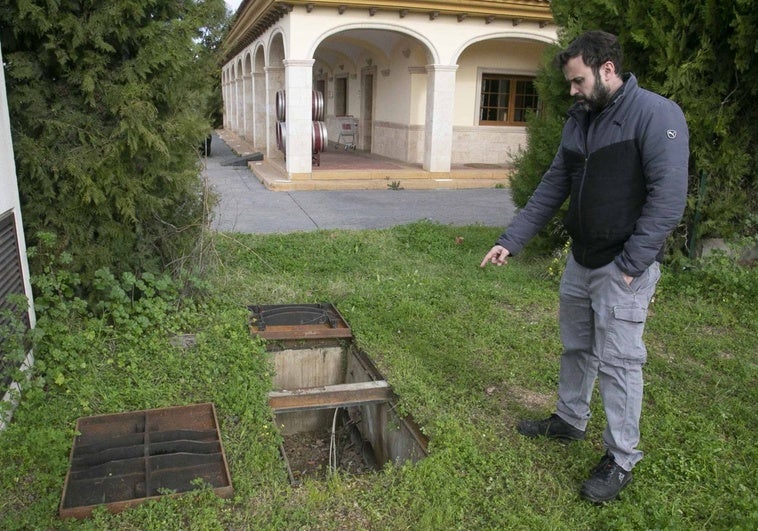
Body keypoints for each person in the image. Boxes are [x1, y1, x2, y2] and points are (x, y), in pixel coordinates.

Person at [480, 30, 689, 503]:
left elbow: (669, 199)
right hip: (580, 260)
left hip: (622, 267)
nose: (572, 91)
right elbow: (554, 184)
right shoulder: (581, 119)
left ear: (607, 69)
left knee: (619, 363)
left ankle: (620, 459)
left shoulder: (657, 115)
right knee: (577, 347)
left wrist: (633, 263)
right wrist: (510, 241)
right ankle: (570, 420)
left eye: (577, 81)